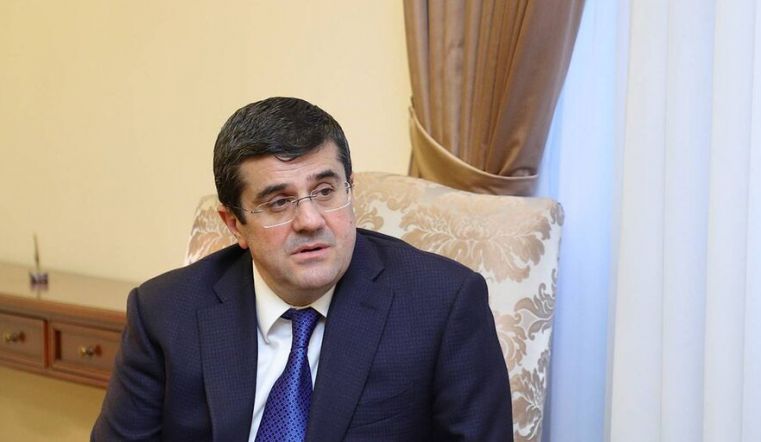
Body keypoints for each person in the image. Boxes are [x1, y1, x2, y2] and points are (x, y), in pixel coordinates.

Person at [91, 97, 512, 441]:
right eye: (279, 202)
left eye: (325, 191)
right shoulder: (164, 311)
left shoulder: (442, 304)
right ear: (234, 224)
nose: (310, 221)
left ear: (350, 190)